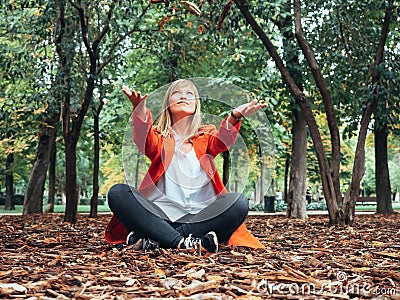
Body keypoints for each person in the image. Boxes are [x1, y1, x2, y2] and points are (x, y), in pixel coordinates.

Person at [104, 79, 266, 254]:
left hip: (199, 219)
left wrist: (234, 116)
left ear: (196, 105)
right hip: (161, 217)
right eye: (177, 93)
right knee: (118, 193)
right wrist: (140, 109)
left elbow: (224, 140)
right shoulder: (159, 138)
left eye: (190, 94)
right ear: (168, 103)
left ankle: (156, 240)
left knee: (238, 202)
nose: (184, 96)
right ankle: (186, 243)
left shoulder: (206, 136)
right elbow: (144, 139)